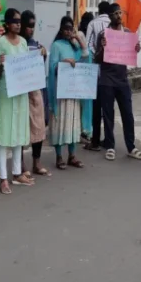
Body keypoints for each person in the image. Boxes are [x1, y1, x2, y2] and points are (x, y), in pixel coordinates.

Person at [95, 3, 141, 161]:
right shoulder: (104, 34)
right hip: (107, 80)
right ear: (109, 16)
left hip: (123, 80)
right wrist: (102, 48)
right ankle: (110, 146)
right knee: (108, 115)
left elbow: (131, 53)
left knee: (128, 114)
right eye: (115, 14)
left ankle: (131, 147)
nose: (118, 16)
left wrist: (135, 48)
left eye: (120, 13)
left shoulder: (127, 33)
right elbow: (96, 59)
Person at [0, 8, 34, 193]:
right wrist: (1, 64)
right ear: (7, 24)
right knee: (4, 134)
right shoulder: (0, 43)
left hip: (21, 92)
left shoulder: (24, 42)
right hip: (6, 93)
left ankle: (17, 173)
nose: (18, 24)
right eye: (15, 21)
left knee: (19, 131)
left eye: (20, 21)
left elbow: (28, 66)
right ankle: (3, 177)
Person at [48, 16, 87, 169]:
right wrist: (62, 64)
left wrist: (77, 37)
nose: (68, 32)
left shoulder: (75, 46)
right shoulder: (56, 45)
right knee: (60, 123)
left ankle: (72, 155)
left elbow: (85, 55)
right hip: (60, 91)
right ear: (61, 29)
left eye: (71, 29)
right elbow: (51, 67)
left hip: (74, 90)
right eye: (65, 28)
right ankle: (59, 156)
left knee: (72, 123)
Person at [20, 10, 50, 178]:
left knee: (38, 126)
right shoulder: (17, 44)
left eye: (33, 26)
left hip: (36, 90)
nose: (31, 29)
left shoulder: (37, 45)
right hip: (21, 91)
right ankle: (22, 164)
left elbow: (40, 67)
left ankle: (36, 162)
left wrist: (43, 54)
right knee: (22, 128)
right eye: (28, 26)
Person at [84, 1, 111, 151]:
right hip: (111, 70)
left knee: (97, 105)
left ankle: (95, 141)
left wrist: (97, 56)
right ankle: (108, 139)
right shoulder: (114, 26)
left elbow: (88, 46)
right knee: (108, 107)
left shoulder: (93, 24)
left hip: (97, 69)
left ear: (99, 10)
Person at [76, 13, 94, 143]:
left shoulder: (79, 34)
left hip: (79, 72)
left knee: (80, 103)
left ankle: (81, 129)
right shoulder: (81, 35)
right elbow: (86, 52)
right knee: (86, 103)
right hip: (87, 72)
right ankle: (86, 130)